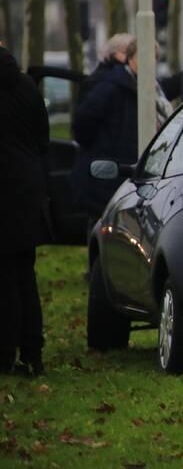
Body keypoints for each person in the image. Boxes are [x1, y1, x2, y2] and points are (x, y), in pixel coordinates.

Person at [0, 44, 50, 375]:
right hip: (27, 191)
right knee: (24, 274)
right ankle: (32, 352)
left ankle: (4, 354)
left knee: (3, 280)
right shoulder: (27, 89)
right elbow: (43, 140)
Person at [69, 37, 148, 217]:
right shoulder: (112, 84)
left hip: (108, 169)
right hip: (105, 171)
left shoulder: (120, 83)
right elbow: (83, 122)